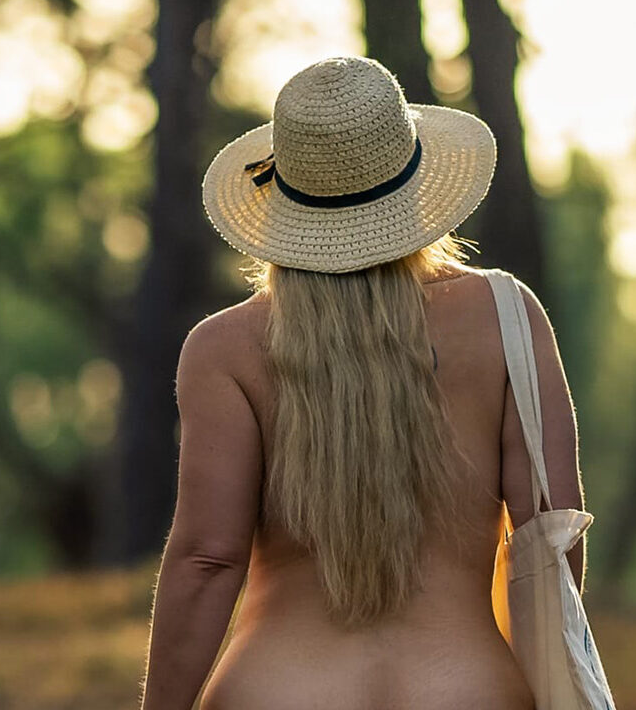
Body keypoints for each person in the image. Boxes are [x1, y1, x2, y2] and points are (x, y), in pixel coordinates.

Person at [140, 55, 587, 710]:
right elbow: (546, 531)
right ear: (415, 184)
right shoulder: (506, 317)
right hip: (465, 689)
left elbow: (207, 560)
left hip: (277, 691)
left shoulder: (224, 348)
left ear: (280, 200)